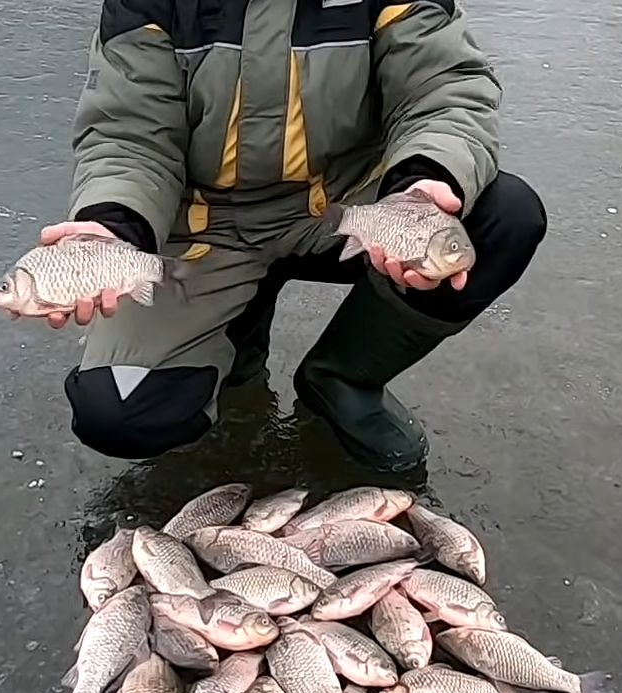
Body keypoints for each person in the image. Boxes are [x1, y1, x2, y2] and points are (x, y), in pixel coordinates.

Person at [40, 0, 547, 474]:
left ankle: (345, 378)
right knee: (119, 411)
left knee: (503, 218)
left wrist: (419, 184)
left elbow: (443, 92)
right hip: (204, 229)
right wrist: (113, 225)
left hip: (348, 205)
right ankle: (235, 349)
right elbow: (128, 134)